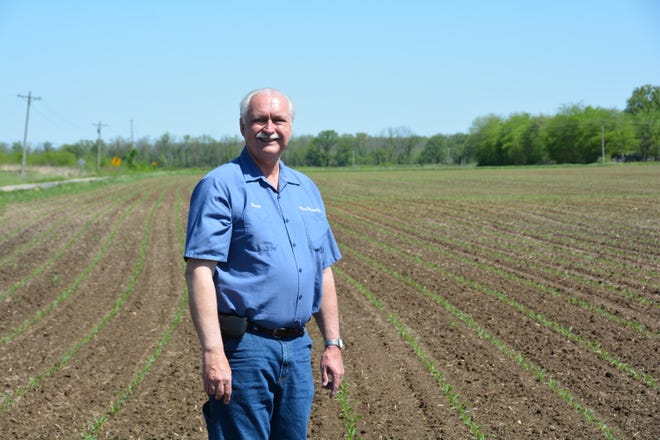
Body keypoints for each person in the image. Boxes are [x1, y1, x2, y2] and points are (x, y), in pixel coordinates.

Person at [184, 87, 345, 439]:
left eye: (278, 120)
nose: (268, 128)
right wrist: (213, 353)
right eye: (259, 119)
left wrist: (332, 344)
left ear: (290, 127)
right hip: (245, 350)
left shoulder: (306, 189)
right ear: (243, 126)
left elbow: (323, 271)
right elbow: (200, 272)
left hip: (298, 348)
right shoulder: (220, 186)